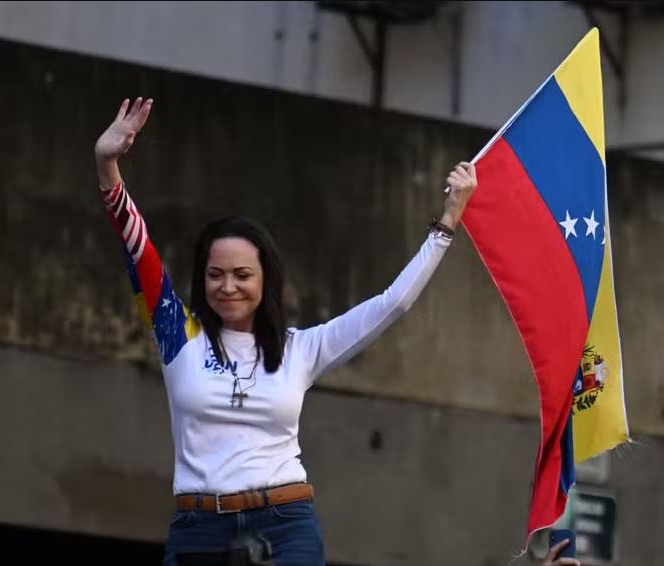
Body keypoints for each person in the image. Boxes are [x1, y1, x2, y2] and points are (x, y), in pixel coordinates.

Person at [94, 97, 477, 566]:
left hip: (285, 527)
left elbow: (393, 303)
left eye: (242, 275)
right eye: (215, 275)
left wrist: (447, 223)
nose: (228, 286)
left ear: (265, 280)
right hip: (199, 531)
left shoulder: (303, 349)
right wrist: (107, 164)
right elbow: (138, 248)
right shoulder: (179, 334)